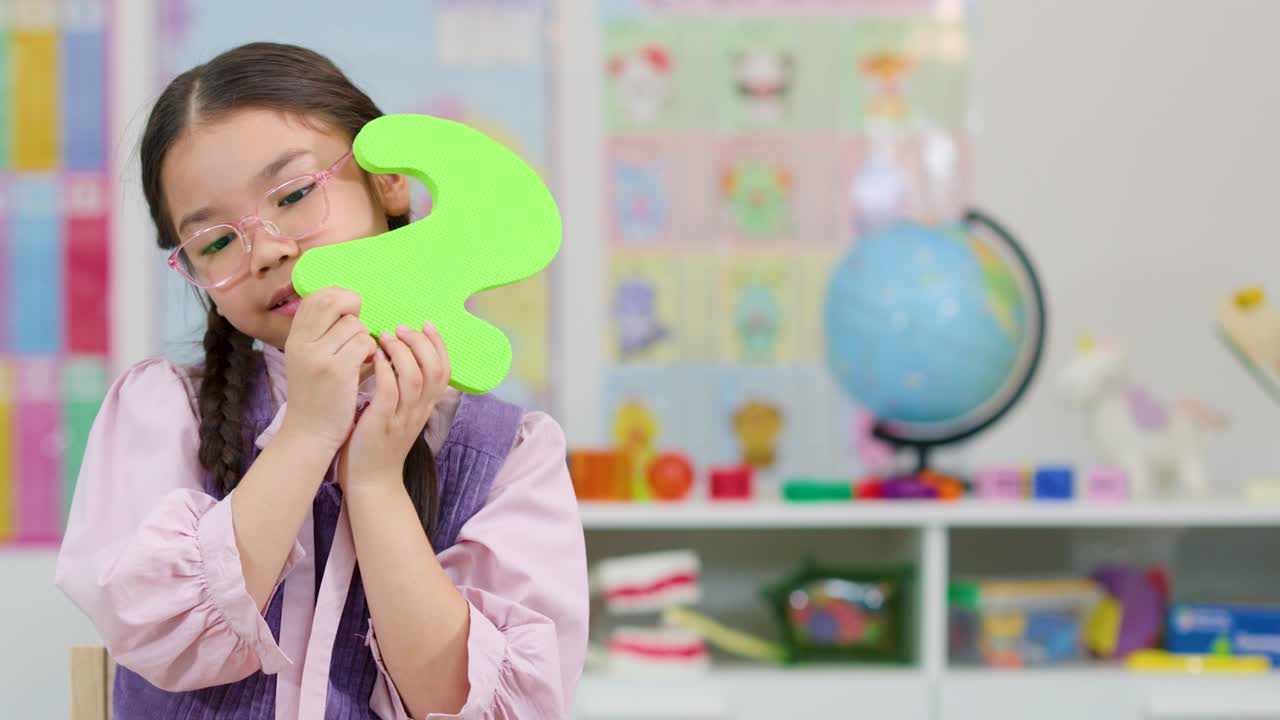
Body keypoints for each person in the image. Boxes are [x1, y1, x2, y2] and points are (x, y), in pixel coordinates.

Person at [55, 42, 588, 719]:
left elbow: (474, 705)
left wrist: (374, 481)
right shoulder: (165, 412)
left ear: (389, 183)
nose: (269, 249)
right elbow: (166, 639)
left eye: (296, 194)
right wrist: (308, 430)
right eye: (216, 242)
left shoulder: (511, 454)